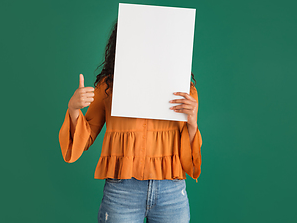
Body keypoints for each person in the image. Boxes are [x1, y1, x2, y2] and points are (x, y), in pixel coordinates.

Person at [58, 21, 202, 223]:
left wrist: (193, 122)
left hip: (171, 191)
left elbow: (189, 154)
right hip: (122, 191)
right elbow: (86, 136)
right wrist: (73, 108)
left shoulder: (184, 90)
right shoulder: (108, 87)